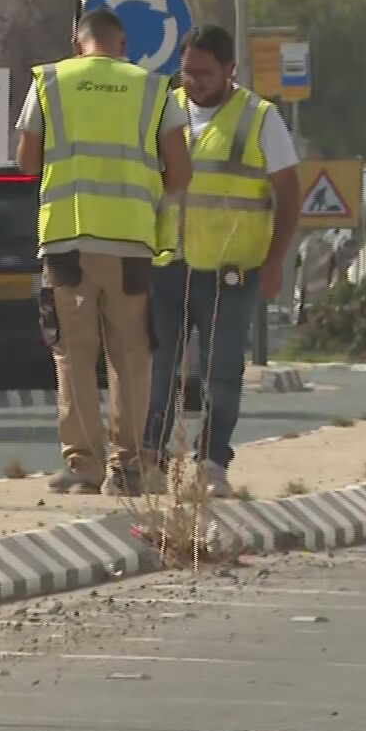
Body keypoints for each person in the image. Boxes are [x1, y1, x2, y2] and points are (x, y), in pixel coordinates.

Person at [17, 8, 192, 497]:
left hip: (66, 241)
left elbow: (27, 161)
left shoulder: (49, 82)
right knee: (131, 356)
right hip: (131, 245)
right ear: (122, 47)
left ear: (78, 45)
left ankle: (83, 468)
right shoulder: (154, 89)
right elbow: (179, 171)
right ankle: (131, 468)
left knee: (72, 355)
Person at [144, 25, 300, 497]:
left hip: (232, 271)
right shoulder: (162, 112)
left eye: (205, 74)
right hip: (167, 266)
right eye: (187, 72)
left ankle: (212, 462)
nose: (193, 83)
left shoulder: (259, 118)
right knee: (157, 367)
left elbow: (289, 194)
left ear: (230, 70)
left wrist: (275, 262)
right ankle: (151, 457)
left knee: (222, 372)